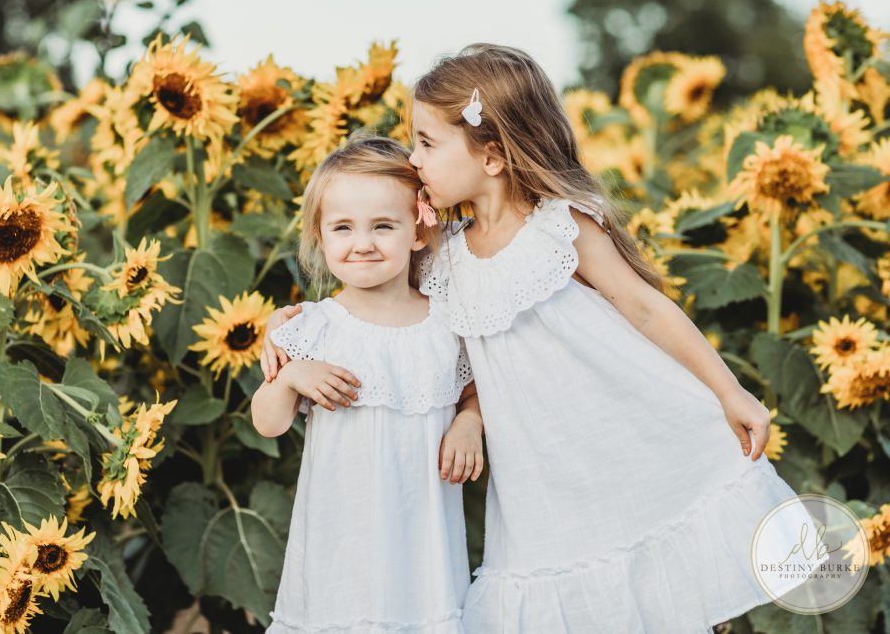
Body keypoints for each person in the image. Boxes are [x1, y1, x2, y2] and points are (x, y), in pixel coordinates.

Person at [264, 45, 820, 632]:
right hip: (537, 474)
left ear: (494, 156)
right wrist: (290, 322)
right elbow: (374, 301)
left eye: (427, 143)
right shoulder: (442, 258)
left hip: (607, 431)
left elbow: (644, 307)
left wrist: (730, 392)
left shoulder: (558, 225)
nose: (413, 158)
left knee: (646, 574)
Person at [252, 134, 484, 633]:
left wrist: (470, 423)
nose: (362, 243)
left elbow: (475, 389)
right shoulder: (313, 327)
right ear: (321, 235)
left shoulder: (445, 324)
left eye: (383, 225)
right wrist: (292, 375)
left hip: (421, 537)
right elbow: (268, 424)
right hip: (343, 538)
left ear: (418, 231)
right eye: (342, 227)